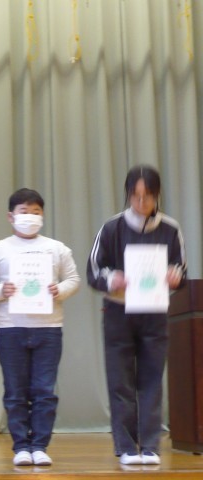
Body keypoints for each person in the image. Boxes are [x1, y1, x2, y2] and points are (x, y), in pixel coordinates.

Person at [87, 165, 186, 466]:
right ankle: (127, 447)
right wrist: (112, 279)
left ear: (157, 195)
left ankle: (151, 445)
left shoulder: (170, 228)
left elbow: (181, 269)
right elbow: (93, 271)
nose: (141, 202)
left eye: (148, 196)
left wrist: (174, 277)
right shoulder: (112, 227)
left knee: (152, 379)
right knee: (121, 381)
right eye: (136, 195)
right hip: (118, 313)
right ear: (128, 194)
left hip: (154, 312)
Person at [0, 188, 80, 467]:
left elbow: (73, 279)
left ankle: (40, 446)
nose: (30, 216)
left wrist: (59, 289)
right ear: (11, 216)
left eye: (36, 212)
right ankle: (21, 446)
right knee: (15, 391)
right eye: (24, 211)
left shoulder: (57, 249)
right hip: (10, 328)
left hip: (49, 328)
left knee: (45, 391)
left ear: (43, 216)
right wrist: (1, 290)